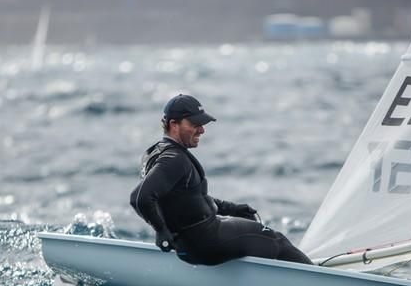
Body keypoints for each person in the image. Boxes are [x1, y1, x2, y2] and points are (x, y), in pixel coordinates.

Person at [130, 94, 312, 266]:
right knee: (276, 239)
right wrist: (161, 231)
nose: (201, 129)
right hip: (207, 242)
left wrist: (231, 208)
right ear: (174, 124)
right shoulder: (174, 159)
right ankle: (316, 280)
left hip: (189, 245)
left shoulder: (155, 153)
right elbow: (139, 197)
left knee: (254, 235)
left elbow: (184, 198)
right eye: (195, 124)